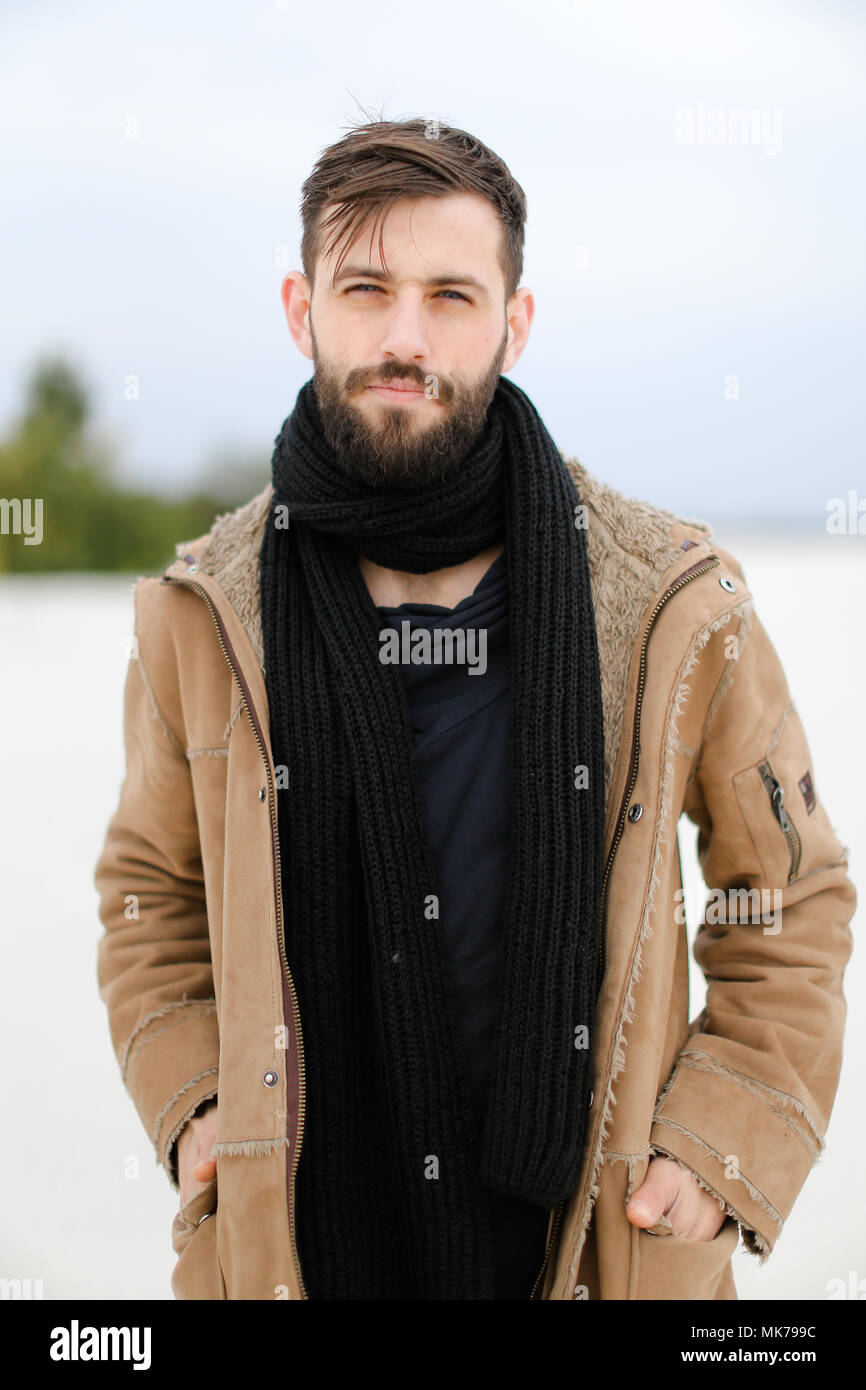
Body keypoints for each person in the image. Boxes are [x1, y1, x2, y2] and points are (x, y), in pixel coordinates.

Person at [94, 117, 856, 1300]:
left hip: (591, 1252)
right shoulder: (208, 609)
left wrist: (717, 1150)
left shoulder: (671, 598)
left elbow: (786, 895)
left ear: (515, 320)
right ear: (301, 310)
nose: (405, 336)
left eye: (451, 294)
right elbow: (152, 896)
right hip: (291, 1255)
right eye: (366, 288)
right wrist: (199, 1111)